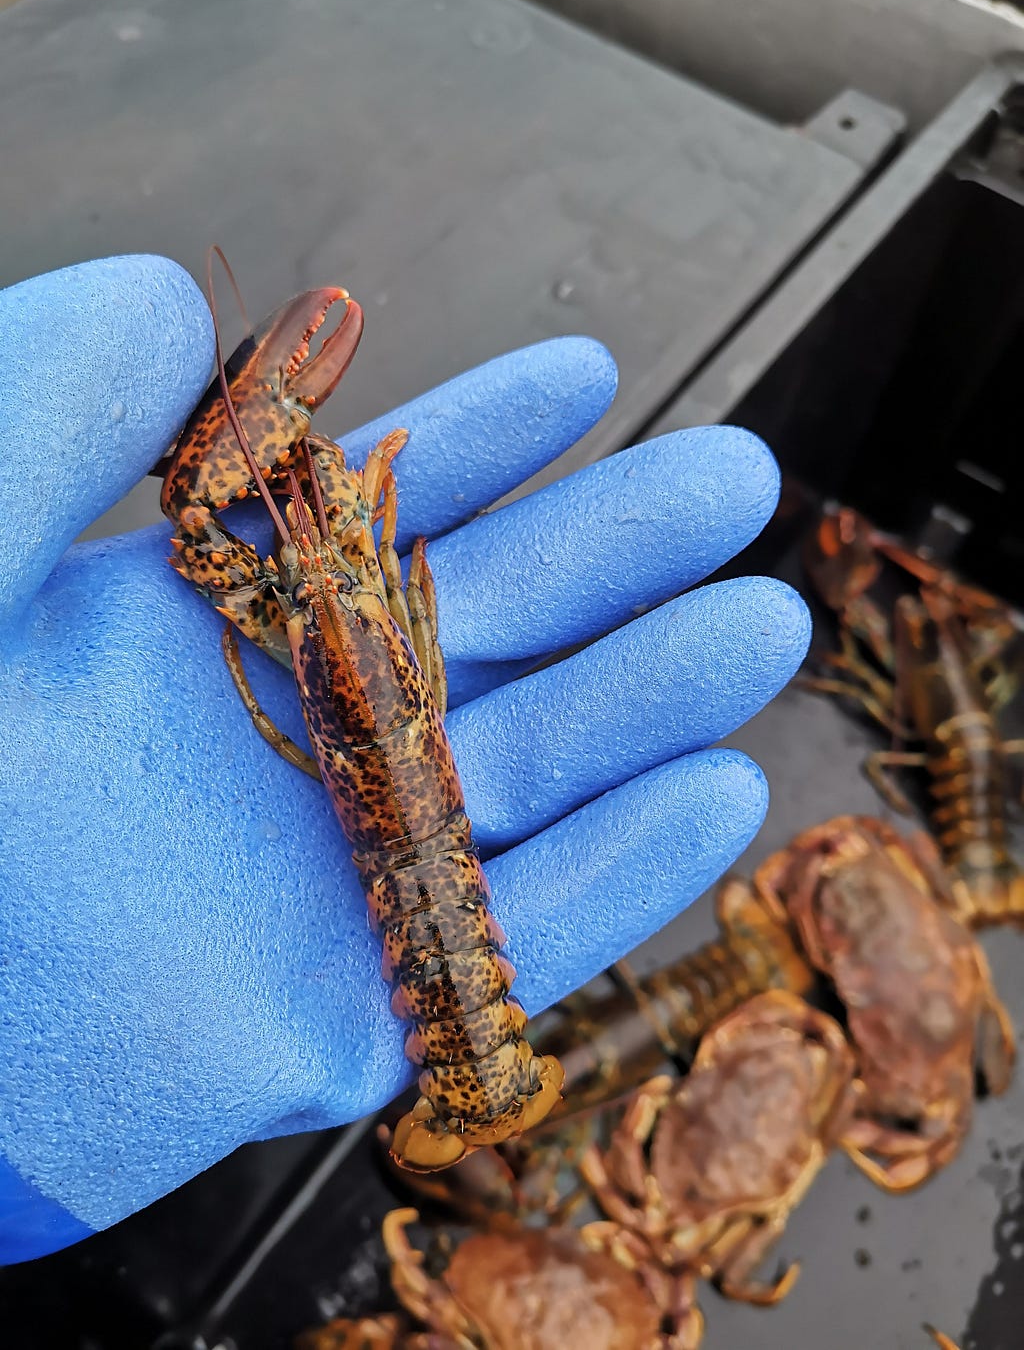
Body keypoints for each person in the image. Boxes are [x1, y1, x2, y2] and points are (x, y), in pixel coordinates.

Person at [0, 254, 809, 1263]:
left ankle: (480, 1078)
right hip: (429, 878)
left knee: (218, 536)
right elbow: (379, 582)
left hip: (423, 898)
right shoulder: (381, 603)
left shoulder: (287, 622)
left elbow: (200, 539)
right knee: (330, 551)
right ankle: (483, 1075)